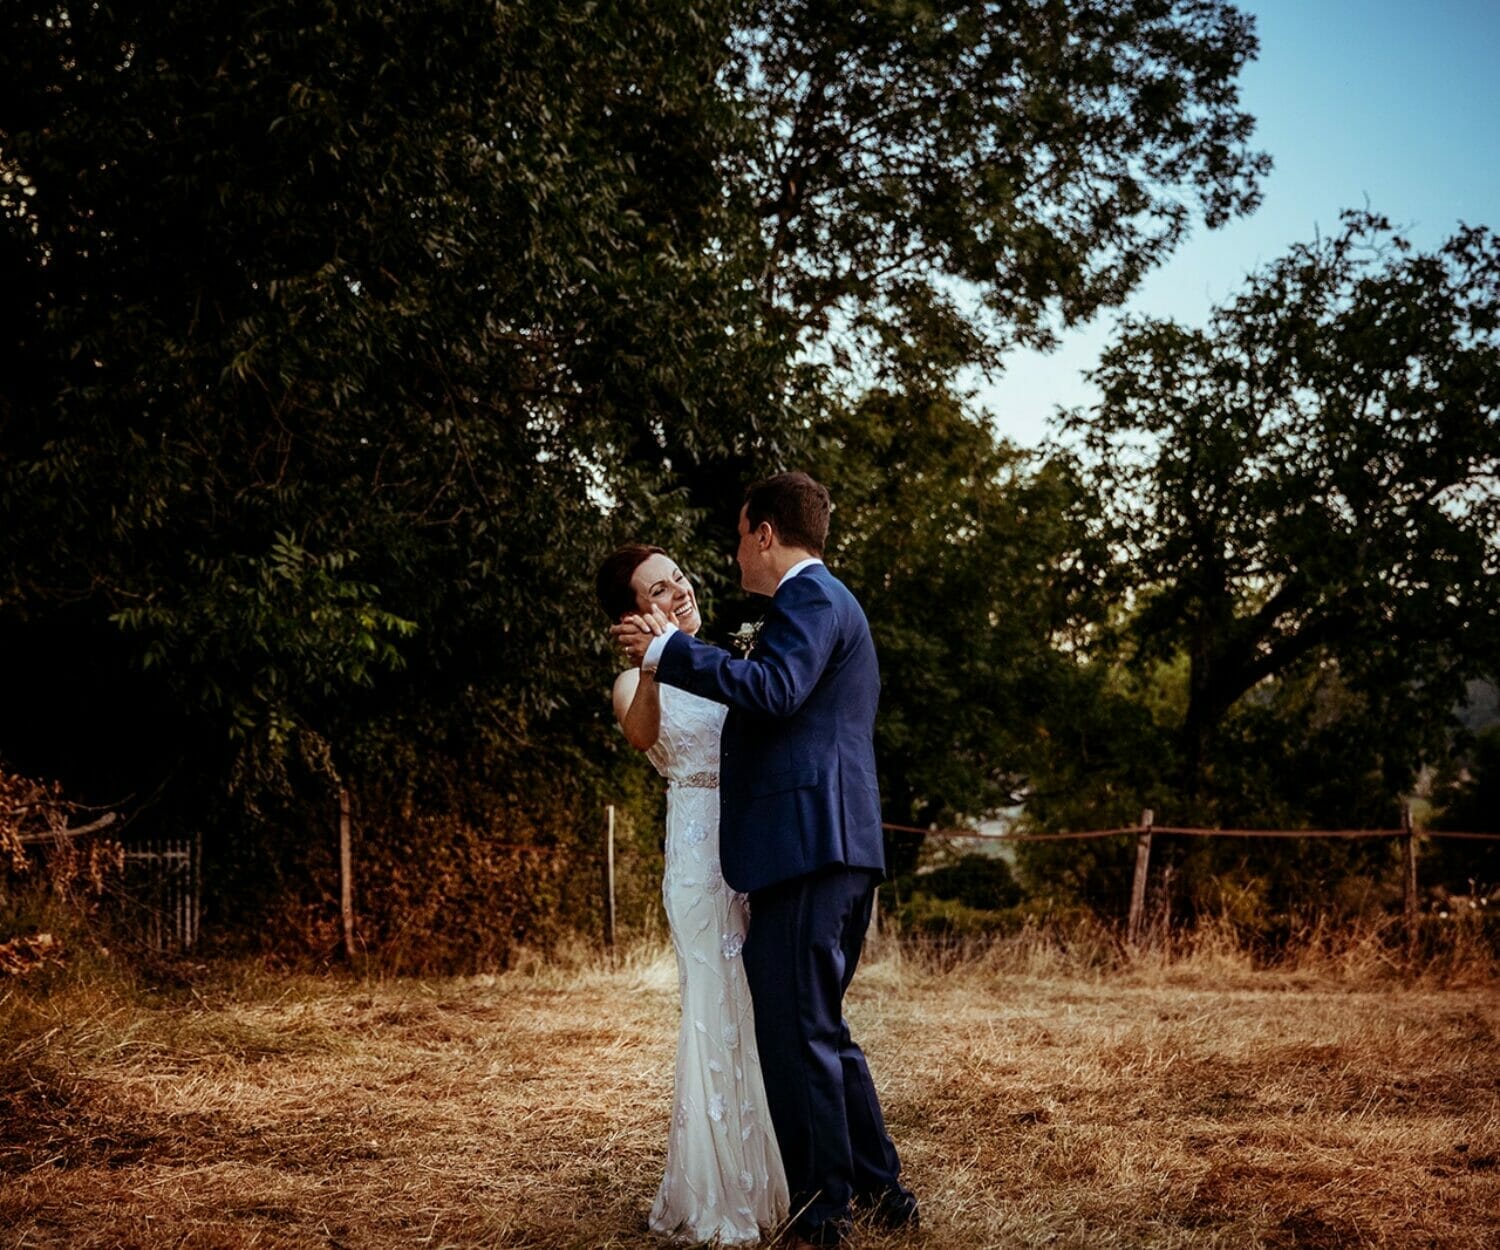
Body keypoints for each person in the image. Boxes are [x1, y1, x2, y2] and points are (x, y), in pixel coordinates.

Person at [610, 472, 918, 1248]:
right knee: (820, 1029)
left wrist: (671, 649)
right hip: (817, 844)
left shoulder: (808, 601)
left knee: (799, 1035)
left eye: (739, 536)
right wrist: (663, 661)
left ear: (765, 533)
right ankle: (881, 1191)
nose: (732, 556)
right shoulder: (819, 604)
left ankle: (825, 1213)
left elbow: (775, 691)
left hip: (808, 848)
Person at [596, 543, 790, 1246]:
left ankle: (774, 1173)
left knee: (761, 1011)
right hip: (696, 860)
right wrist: (655, 660)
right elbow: (642, 733)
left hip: (754, 851)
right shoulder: (633, 681)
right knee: (713, 1011)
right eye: (657, 590)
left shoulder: (727, 663)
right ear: (632, 616)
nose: (678, 591)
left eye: (677, 578)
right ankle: (717, 1190)